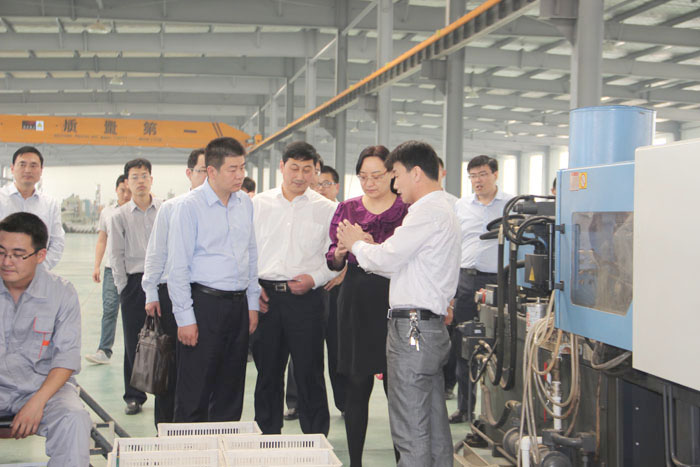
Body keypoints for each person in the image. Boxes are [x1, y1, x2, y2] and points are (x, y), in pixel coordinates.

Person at [336, 140, 459, 467]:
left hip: (414, 330)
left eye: (397, 175)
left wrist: (357, 245)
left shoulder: (426, 213)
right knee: (432, 423)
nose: (395, 184)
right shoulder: (444, 208)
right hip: (428, 327)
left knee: (411, 427)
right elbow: (399, 263)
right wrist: (369, 248)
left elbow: (388, 258)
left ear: (415, 173)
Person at [167, 137, 260, 422]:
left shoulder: (244, 204)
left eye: (242, 167)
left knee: (231, 389)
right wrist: (185, 318)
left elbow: (251, 254)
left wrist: (252, 303)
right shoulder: (189, 207)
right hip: (204, 306)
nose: (240, 175)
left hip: (237, 306)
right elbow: (178, 267)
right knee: (194, 390)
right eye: (232, 169)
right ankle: (189, 447)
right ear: (211, 171)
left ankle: (224, 445)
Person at [328, 146, 408, 466]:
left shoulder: (406, 209)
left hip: (393, 297)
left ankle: (405, 459)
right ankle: (355, 461)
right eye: (363, 177)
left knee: (397, 388)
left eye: (376, 176)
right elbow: (333, 258)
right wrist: (340, 252)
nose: (369, 183)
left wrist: (371, 248)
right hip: (356, 300)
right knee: (356, 384)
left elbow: (405, 255)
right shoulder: (347, 208)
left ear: (392, 174)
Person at [252, 141, 337, 435]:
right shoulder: (258, 204)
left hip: (307, 301)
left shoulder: (328, 210)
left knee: (310, 374)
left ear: (316, 172)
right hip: (265, 299)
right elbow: (244, 251)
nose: (300, 176)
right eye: (294, 168)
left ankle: (315, 440)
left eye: (307, 170)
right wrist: (252, 288)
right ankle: (267, 439)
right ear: (282, 167)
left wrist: (315, 278)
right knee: (267, 374)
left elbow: (336, 259)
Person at [0, 212, 91, 466]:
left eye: (18, 254)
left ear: (40, 255)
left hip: (44, 389)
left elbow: (66, 359)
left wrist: (36, 403)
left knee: (74, 419)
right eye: (1, 252)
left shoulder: (61, 293)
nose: (7, 261)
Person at [141, 148, 207, 427]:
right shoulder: (172, 207)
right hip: (172, 294)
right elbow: (156, 253)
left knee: (202, 367)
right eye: (203, 171)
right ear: (189, 173)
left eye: (213, 170)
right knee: (171, 366)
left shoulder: (227, 208)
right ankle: (166, 429)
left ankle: (200, 429)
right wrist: (151, 292)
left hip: (208, 298)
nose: (208, 177)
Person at [450, 155, 513, 425]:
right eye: (473, 176)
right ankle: (465, 408)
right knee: (465, 344)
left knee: (499, 344)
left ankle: (495, 411)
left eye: (483, 174)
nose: (478, 180)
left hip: (498, 282)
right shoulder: (461, 206)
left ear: (495, 174)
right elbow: (453, 244)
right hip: (466, 281)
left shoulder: (510, 205)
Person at [109, 158, 162, 415]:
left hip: (162, 282)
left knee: (166, 337)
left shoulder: (165, 209)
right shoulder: (119, 216)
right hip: (134, 284)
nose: (140, 181)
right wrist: (123, 288)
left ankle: (166, 389)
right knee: (134, 341)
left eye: (144, 176)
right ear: (127, 182)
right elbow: (115, 255)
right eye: (135, 177)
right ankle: (134, 396)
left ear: (151, 179)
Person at [85, 175, 132, 365]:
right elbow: (102, 240)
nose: (126, 194)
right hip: (111, 269)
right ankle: (104, 350)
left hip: (135, 270)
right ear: (116, 190)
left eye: (129, 190)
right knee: (110, 309)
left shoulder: (140, 210)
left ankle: (139, 351)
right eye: (122, 190)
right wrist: (97, 265)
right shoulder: (107, 212)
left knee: (136, 312)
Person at [0, 146, 65, 269]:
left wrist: (38, 269)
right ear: (12, 168)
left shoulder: (50, 204)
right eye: (22, 164)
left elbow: (57, 242)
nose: (28, 170)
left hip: (37, 274)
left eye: (33, 165)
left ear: (41, 170)